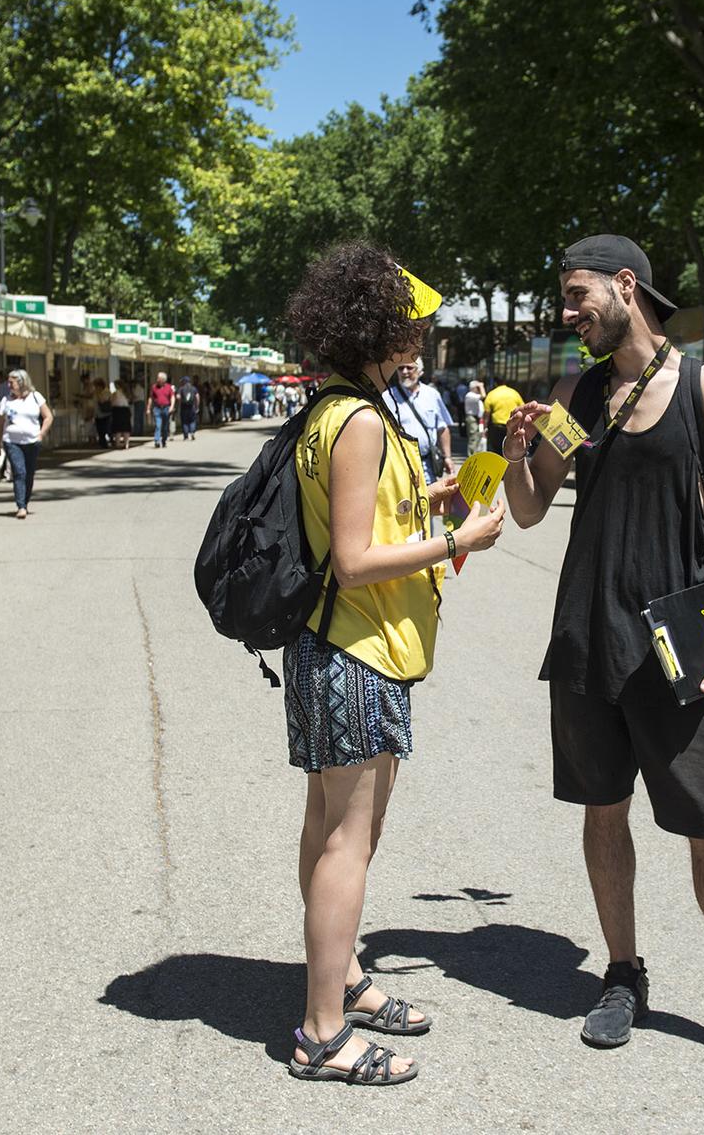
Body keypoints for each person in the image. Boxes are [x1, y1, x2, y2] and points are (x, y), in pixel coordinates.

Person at [500, 234, 704, 1094]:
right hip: (587, 637)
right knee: (604, 813)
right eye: (562, 300)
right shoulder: (576, 392)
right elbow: (527, 510)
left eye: (576, 296)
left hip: (679, 646)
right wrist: (524, 448)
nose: (566, 314)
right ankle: (623, 972)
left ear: (625, 287)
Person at [281, 241, 505, 1087]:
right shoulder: (364, 418)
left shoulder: (336, 407)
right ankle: (322, 1032)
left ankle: (339, 982)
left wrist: (438, 498)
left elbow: (363, 520)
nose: (419, 334)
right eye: (410, 323)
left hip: (334, 645)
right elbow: (352, 557)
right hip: (356, 649)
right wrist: (457, 538)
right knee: (351, 840)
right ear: (376, 327)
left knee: (328, 828)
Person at [0, 369, 53, 519]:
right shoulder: (6, 400)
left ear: (21, 382)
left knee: (29, 473)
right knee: (19, 472)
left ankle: (25, 501)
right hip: (11, 441)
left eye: (11, 382)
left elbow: (48, 416)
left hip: (32, 441)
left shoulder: (35, 397)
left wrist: (41, 434)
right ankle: (21, 506)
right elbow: (0, 424)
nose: (8, 385)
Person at [385, 359, 454, 482]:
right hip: (399, 465)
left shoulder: (432, 394)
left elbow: (442, 428)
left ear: (420, 371)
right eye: (401, 368)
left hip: (427, 465)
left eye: (409, 368)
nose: (405, 372)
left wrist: (447, 457)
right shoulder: (387, 397)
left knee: (429, 500)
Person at [483, 375, 523, 456]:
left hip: (496, 428)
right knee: (509, 450)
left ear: (495, 384)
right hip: (512, 426)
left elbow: (487, 414)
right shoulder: (514, 393)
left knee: (496, 451)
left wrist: (485, 428)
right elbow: (522, 408)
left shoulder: (491, 394)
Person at [149, 372, 175, 448]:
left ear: (163, 380)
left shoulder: (169, 387)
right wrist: (148, 408)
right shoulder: (154, 387)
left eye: (158, 378)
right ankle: (157, 441)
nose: (157, 380)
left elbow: (172, 397)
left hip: (166, 408)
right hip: (157, 408)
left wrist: (171, 406)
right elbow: (151, 398)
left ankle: (164, 440)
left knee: (165, 426)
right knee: (158, 425)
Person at [463, 379, 487, 456]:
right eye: (478, 388)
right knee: (473, 437)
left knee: (478, 436)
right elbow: (483, 396)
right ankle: (471, 455)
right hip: (472, 418)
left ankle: (475, 453)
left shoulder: (474, 395)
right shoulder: (470, 395)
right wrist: (481, 386)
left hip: (477, 418)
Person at [109, 380, 132, 450]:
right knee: (126, 427)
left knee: (118, 427)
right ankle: (126, 443)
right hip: (126, 410)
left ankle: (118, 443)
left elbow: (112, 401)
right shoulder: (126, 392)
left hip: (117, 410)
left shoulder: (115, 392)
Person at [178, 377, 200, 441]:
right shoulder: (194, 388)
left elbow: (178, 397)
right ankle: (192, 432)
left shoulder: (181, 388)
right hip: (192, 407)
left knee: (184, 421)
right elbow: (197, 397)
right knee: (192, 420)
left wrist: (180, 403)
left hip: (184, 407)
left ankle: (186, 436)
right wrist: (197, 406)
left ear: (184, 382)